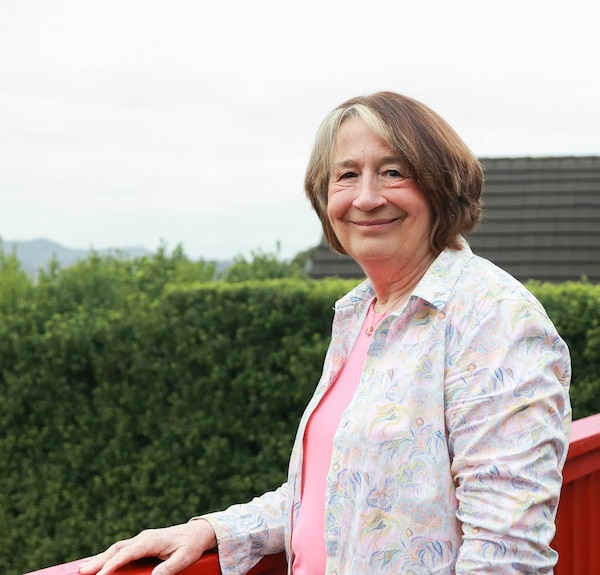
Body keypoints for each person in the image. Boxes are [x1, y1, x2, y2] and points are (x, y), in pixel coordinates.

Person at [79, 91, 572, 575]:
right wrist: (211, 530)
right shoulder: (360, 313)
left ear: (440, 186)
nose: (367, 197)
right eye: (347, 175)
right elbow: (340, 495)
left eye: (394, 172)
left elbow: (508, 556)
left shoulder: (496, 317)